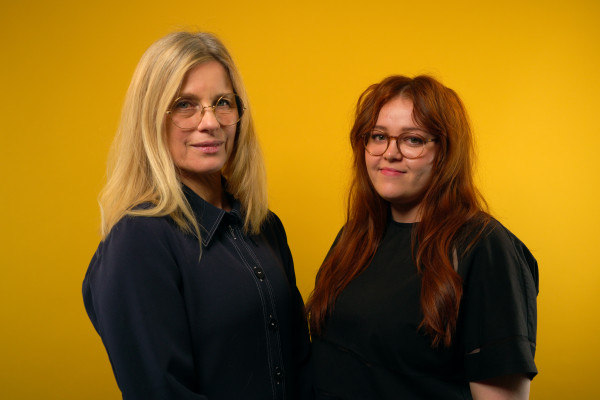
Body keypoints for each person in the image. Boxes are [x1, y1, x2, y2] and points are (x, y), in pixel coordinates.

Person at [82, 32, 312, 400]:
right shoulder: (139, 241)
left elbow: (301, 362)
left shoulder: (265, 226)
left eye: (223, 102)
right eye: (185, 105)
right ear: (150, 118)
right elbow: (161, 392)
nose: (210, 122)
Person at [306, 75, 538, 399]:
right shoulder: (356, 236)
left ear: (445, 152)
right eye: (378, 136)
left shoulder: (483, 247)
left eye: (412, 140)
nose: (390, 153)